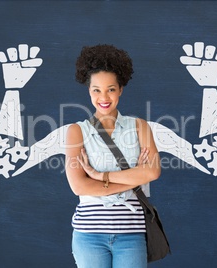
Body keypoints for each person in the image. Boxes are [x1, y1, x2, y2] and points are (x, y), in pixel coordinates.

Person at [65, 44, 161, 268]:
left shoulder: (140, 127)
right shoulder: (76, 131)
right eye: (96, 90)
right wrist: (134, 177)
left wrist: (99, 176)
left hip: (132, 233)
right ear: (89, 91)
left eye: (111, 89)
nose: (104, 97)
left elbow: (153, 171)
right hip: (89, 235)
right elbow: (79, 187)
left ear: (121, 90)